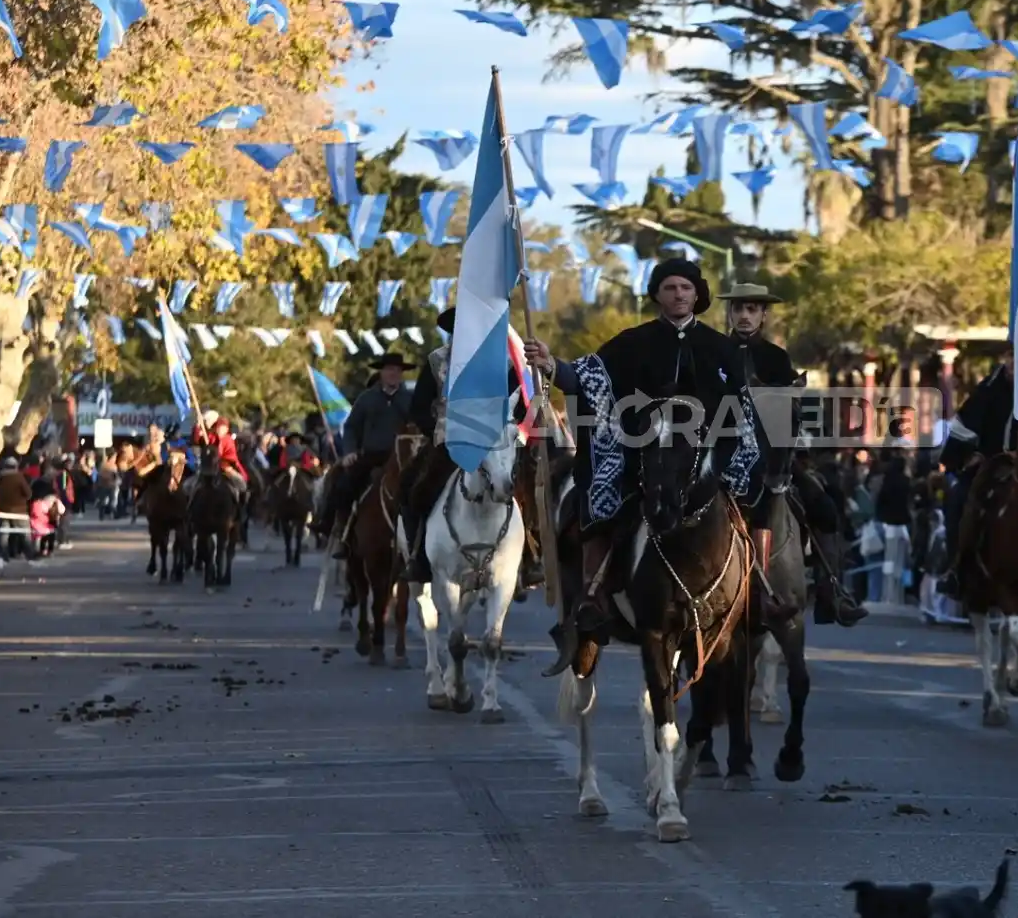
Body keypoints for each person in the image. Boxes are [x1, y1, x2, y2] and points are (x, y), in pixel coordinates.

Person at [525, 258, 768, 677]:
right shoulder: (632, 342)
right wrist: (552, 365)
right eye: (670, 287)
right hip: (638, 454)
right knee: (598, 500)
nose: (678, 294)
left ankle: (758, 591)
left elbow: (741, 409)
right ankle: (592, 598)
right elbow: (589, 377)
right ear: (657, 294)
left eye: (686, 288)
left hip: (703, 460)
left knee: (756, 495)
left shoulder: (721, 349)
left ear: (697, 296)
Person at [719, 281, 865, 626]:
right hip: (721, 455)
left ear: (763, 315)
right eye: (738, 308)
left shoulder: (776, 357)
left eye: (752, 309)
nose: (744, 315)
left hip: (770, 459)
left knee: (825, 507)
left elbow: (789, 412)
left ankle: (832, 592)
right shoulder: (713, 353)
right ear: (729, 312)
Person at [396, 309, 530, 584]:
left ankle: (527, 560)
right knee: (411, 485)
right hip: (448, 442)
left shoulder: (499, 364)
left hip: (494, 442)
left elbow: (519, 395)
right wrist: (437, 429)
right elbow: (419, 408)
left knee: (526, 486)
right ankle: (419, 558)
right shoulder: (435, 362)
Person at [315, 352, 416, 558]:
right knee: (343, 482)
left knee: (426, 485)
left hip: (403, 457)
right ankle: (336, 530)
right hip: (372, 455)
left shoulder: (410, 399)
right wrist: (350, 452)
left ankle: (425, 541)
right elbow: (351, 428)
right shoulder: (367, 398)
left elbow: (420, 425)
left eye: (397, 370)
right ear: (381, 372)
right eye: (389, 369)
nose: (393, 373)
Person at [937, 350, 1015, 598]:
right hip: (989, 467)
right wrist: (966, 457)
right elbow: (964, 428)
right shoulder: (988, 390)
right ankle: (957, 568)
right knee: (958, 500)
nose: (1016, 364)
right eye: (1013, 357)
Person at [193, 413, 251, 517]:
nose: (221, 430)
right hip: (209, 468)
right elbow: (198, 440)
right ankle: (190, 509)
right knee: (191, 486)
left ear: (227, 429)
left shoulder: (229, 440)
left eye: (223, 428)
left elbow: (231, 456)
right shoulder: (209, 437)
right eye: (219, 427)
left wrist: (223, 462)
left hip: (226, 467)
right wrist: (198, 426)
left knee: (242, 484)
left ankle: (241, 510)